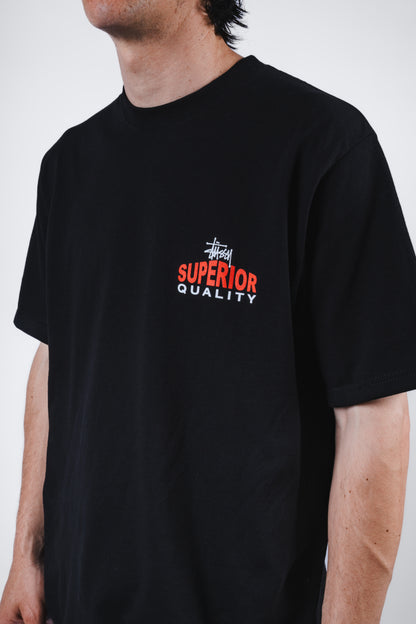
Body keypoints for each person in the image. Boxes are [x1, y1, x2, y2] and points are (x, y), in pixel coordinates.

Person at [1, 1, 415, 623]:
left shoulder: (322, 143)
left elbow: (372, 411)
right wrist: (25, 557)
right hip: (77, 602)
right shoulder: (70, 165)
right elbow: (54, 359)